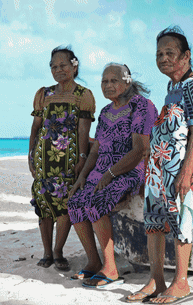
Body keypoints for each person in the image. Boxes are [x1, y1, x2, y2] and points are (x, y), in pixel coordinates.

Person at [125, 26, 193, 304]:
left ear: (186, 56)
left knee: (182, 222)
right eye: (159, 53)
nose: (163, 58)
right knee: (154, 223)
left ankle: (181, 283)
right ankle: (156, 280)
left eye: (170, 53)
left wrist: (187, 173)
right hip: (159, 169)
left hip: (181, 171)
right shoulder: (172, 87)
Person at [67, 63, 158, 288]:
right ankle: (93, 261)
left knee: (97, 202)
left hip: (130, 171)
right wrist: (82, 177)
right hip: (102, 172)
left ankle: (111, 269)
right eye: (104, 81)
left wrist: (110, 174)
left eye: (113, 80)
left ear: (127, 81)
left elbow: (139, 149)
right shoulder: (107, 111)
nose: (108, 85)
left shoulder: (142, 107)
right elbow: (96, 150)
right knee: (75, 203)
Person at [29, 46, 96, 271]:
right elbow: (36, 128)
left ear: (74, 66)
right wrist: (30, 155)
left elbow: (83, 132)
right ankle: (47, 252)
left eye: (63, 65)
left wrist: (82, 158)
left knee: (65, 206)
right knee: (43, 205)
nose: (58, 70)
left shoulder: (83, 95)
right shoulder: (43, 94)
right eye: (53, 66)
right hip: (43, 162)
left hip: (69, 162)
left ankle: (58, 251)